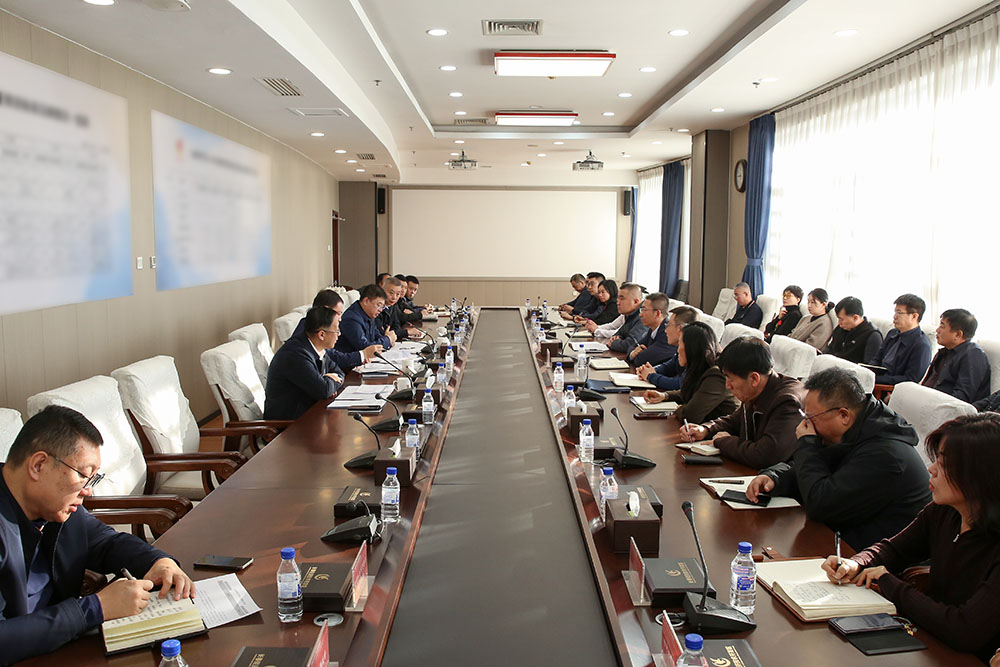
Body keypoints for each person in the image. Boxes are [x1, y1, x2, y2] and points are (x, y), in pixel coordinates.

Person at [0, 406, 195, 663]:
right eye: (83, 475)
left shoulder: (54, 505)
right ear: (39, 465)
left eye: (93, 479)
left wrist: (158, 561)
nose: (88, 491)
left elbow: (105, 542)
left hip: (60, 648)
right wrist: (95, 608)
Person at [820, 413, 1000, 662]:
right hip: (931, 643)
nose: (931, 469)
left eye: (944, 464)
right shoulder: (944, 511)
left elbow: (964, 629)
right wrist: (857, 563)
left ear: (980, 476)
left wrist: (890, 583)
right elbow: (894, 549)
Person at [746, 367, 931, 549]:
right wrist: (776, 477)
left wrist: (807, 443)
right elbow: (818, 469)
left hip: (870, 556)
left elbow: (821, 504)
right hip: (839, 539)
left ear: (843, 415)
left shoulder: (885, 454)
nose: (806, 424)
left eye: (811, 418)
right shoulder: (859, 429)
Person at [680, 336, 806, 468]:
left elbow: (766, 455)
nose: (727, 386)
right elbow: (734, 421)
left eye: (731, 379)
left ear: (754, 379)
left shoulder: (787, 401)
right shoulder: (756, 389)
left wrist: (723, 441)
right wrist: (706, 429)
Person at [642, 321, 737, 423]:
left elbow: (689, 416)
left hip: (717, 431)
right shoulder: (699, 366)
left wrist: (681, 409)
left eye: (680, 344)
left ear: (691, 348)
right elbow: (693, 392)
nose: (677, 350)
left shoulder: (717, 375)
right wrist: (665, 396)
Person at [264, 307, 345, 420]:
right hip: (289, 424)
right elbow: (324, 390)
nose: (339, 334)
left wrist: (327, 381)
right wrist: (328, 381)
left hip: (309, 414)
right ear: (321, 335)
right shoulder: (295, 354)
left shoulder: (315, 346)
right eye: (336, 331)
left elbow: (339, 372)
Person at [292, 289, 380, 372]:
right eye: (338, 313)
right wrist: (363, 354)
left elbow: (334, 364)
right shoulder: (309, 330)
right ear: (326, 310)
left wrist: (360, 359)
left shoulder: (323, 327)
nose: (340, 319)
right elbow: (334, 357)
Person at [921, 309, 991, 404]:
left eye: (942, 326)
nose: (937, 330)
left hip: (947, 408)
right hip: (927, 403)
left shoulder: (972, 355)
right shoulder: (944, 352)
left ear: (958, 334)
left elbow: (961, 399)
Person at [870, 294, 933, 386]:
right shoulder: (892, 333)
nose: (894, 316)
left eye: (899, 313)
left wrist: (877, 379)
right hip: (876, 381)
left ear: (914, 316)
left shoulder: (922, 345)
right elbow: (877, 359)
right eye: (895, 312)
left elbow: (910, 379)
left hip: (890, 388)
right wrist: (868, 372)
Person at [636, 306, 699, 391]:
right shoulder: (681, 348)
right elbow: (668, 367)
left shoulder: (696, 351)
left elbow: (679, 384)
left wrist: (650, 376)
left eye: (668, 325)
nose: (665, 330)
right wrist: (649, 370)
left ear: (680, 329)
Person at [823, 296, 882, 364]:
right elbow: (830, 349)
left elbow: (868, 367)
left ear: (855, 318)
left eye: (841, 319)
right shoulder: (841, 328)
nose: (839, 323)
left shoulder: (872, 336)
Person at [337, 283, 394, 354]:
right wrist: (387, 339)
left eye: (382, 307)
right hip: (350, 359)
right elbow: (366, 348)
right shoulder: (351, 319)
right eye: (378, 305)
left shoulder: (369, 314)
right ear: (366, 301)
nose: (380, 310)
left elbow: (377, 336)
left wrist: (388, 340)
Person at [627, 292, 677, 367]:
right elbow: (632, 347)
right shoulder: (653, 329)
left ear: (657, 313)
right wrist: (632, 353)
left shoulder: (667, 333)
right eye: (641, 310)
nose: (640, 314)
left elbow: (641, 360)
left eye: (644, 310)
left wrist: (636, 354)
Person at [604, 283, 648, 354]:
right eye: (617, 298)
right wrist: (617, 338)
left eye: (622, 299)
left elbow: (631, 344)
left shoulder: (643, 316)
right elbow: (618, 334)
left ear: (636, 301)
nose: (617, 303)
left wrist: (613, 343)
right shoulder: (630, 314)